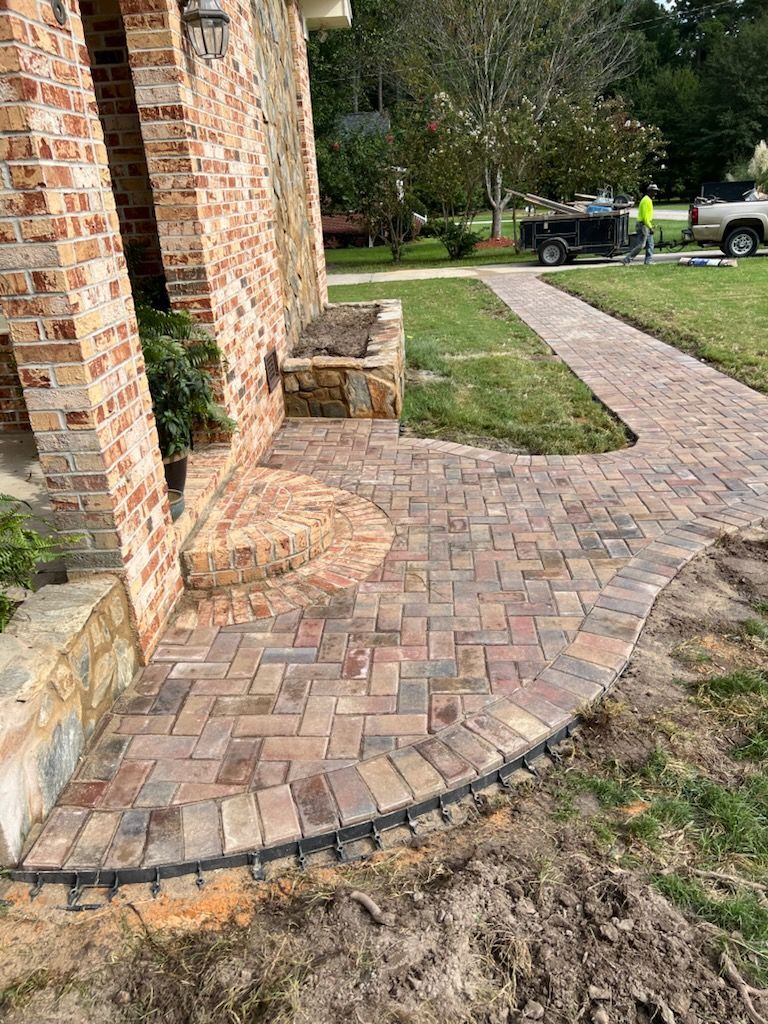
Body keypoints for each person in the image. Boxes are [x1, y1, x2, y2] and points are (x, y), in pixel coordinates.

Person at [622, 183, 660, 265]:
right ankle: (627, 259)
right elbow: (645, 217)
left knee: (650, 243)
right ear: (649, 191)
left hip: (645, 224)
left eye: (656, 191)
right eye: (654, 191)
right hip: (643, 225)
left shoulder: (647, 200)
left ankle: (648, 260)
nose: (655, 193)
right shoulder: (646, 201)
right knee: (641, 245)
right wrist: (650, 227)